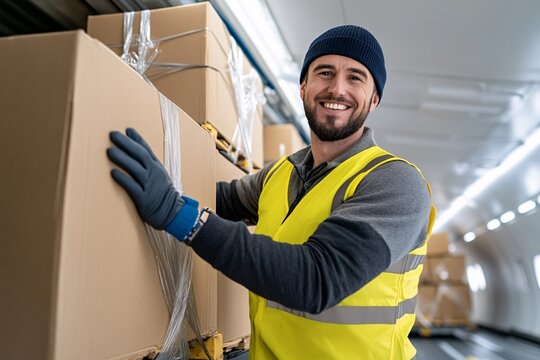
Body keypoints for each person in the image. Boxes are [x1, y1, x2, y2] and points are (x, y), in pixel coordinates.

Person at [107, 24, 436, 360]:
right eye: (325, 72)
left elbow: (316, 279)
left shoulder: (394, 182)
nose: (337, 89)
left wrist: (180, 216)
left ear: (374, 98)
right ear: (304, 87)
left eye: (356, 77)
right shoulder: (282, 173)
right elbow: (218, 198)